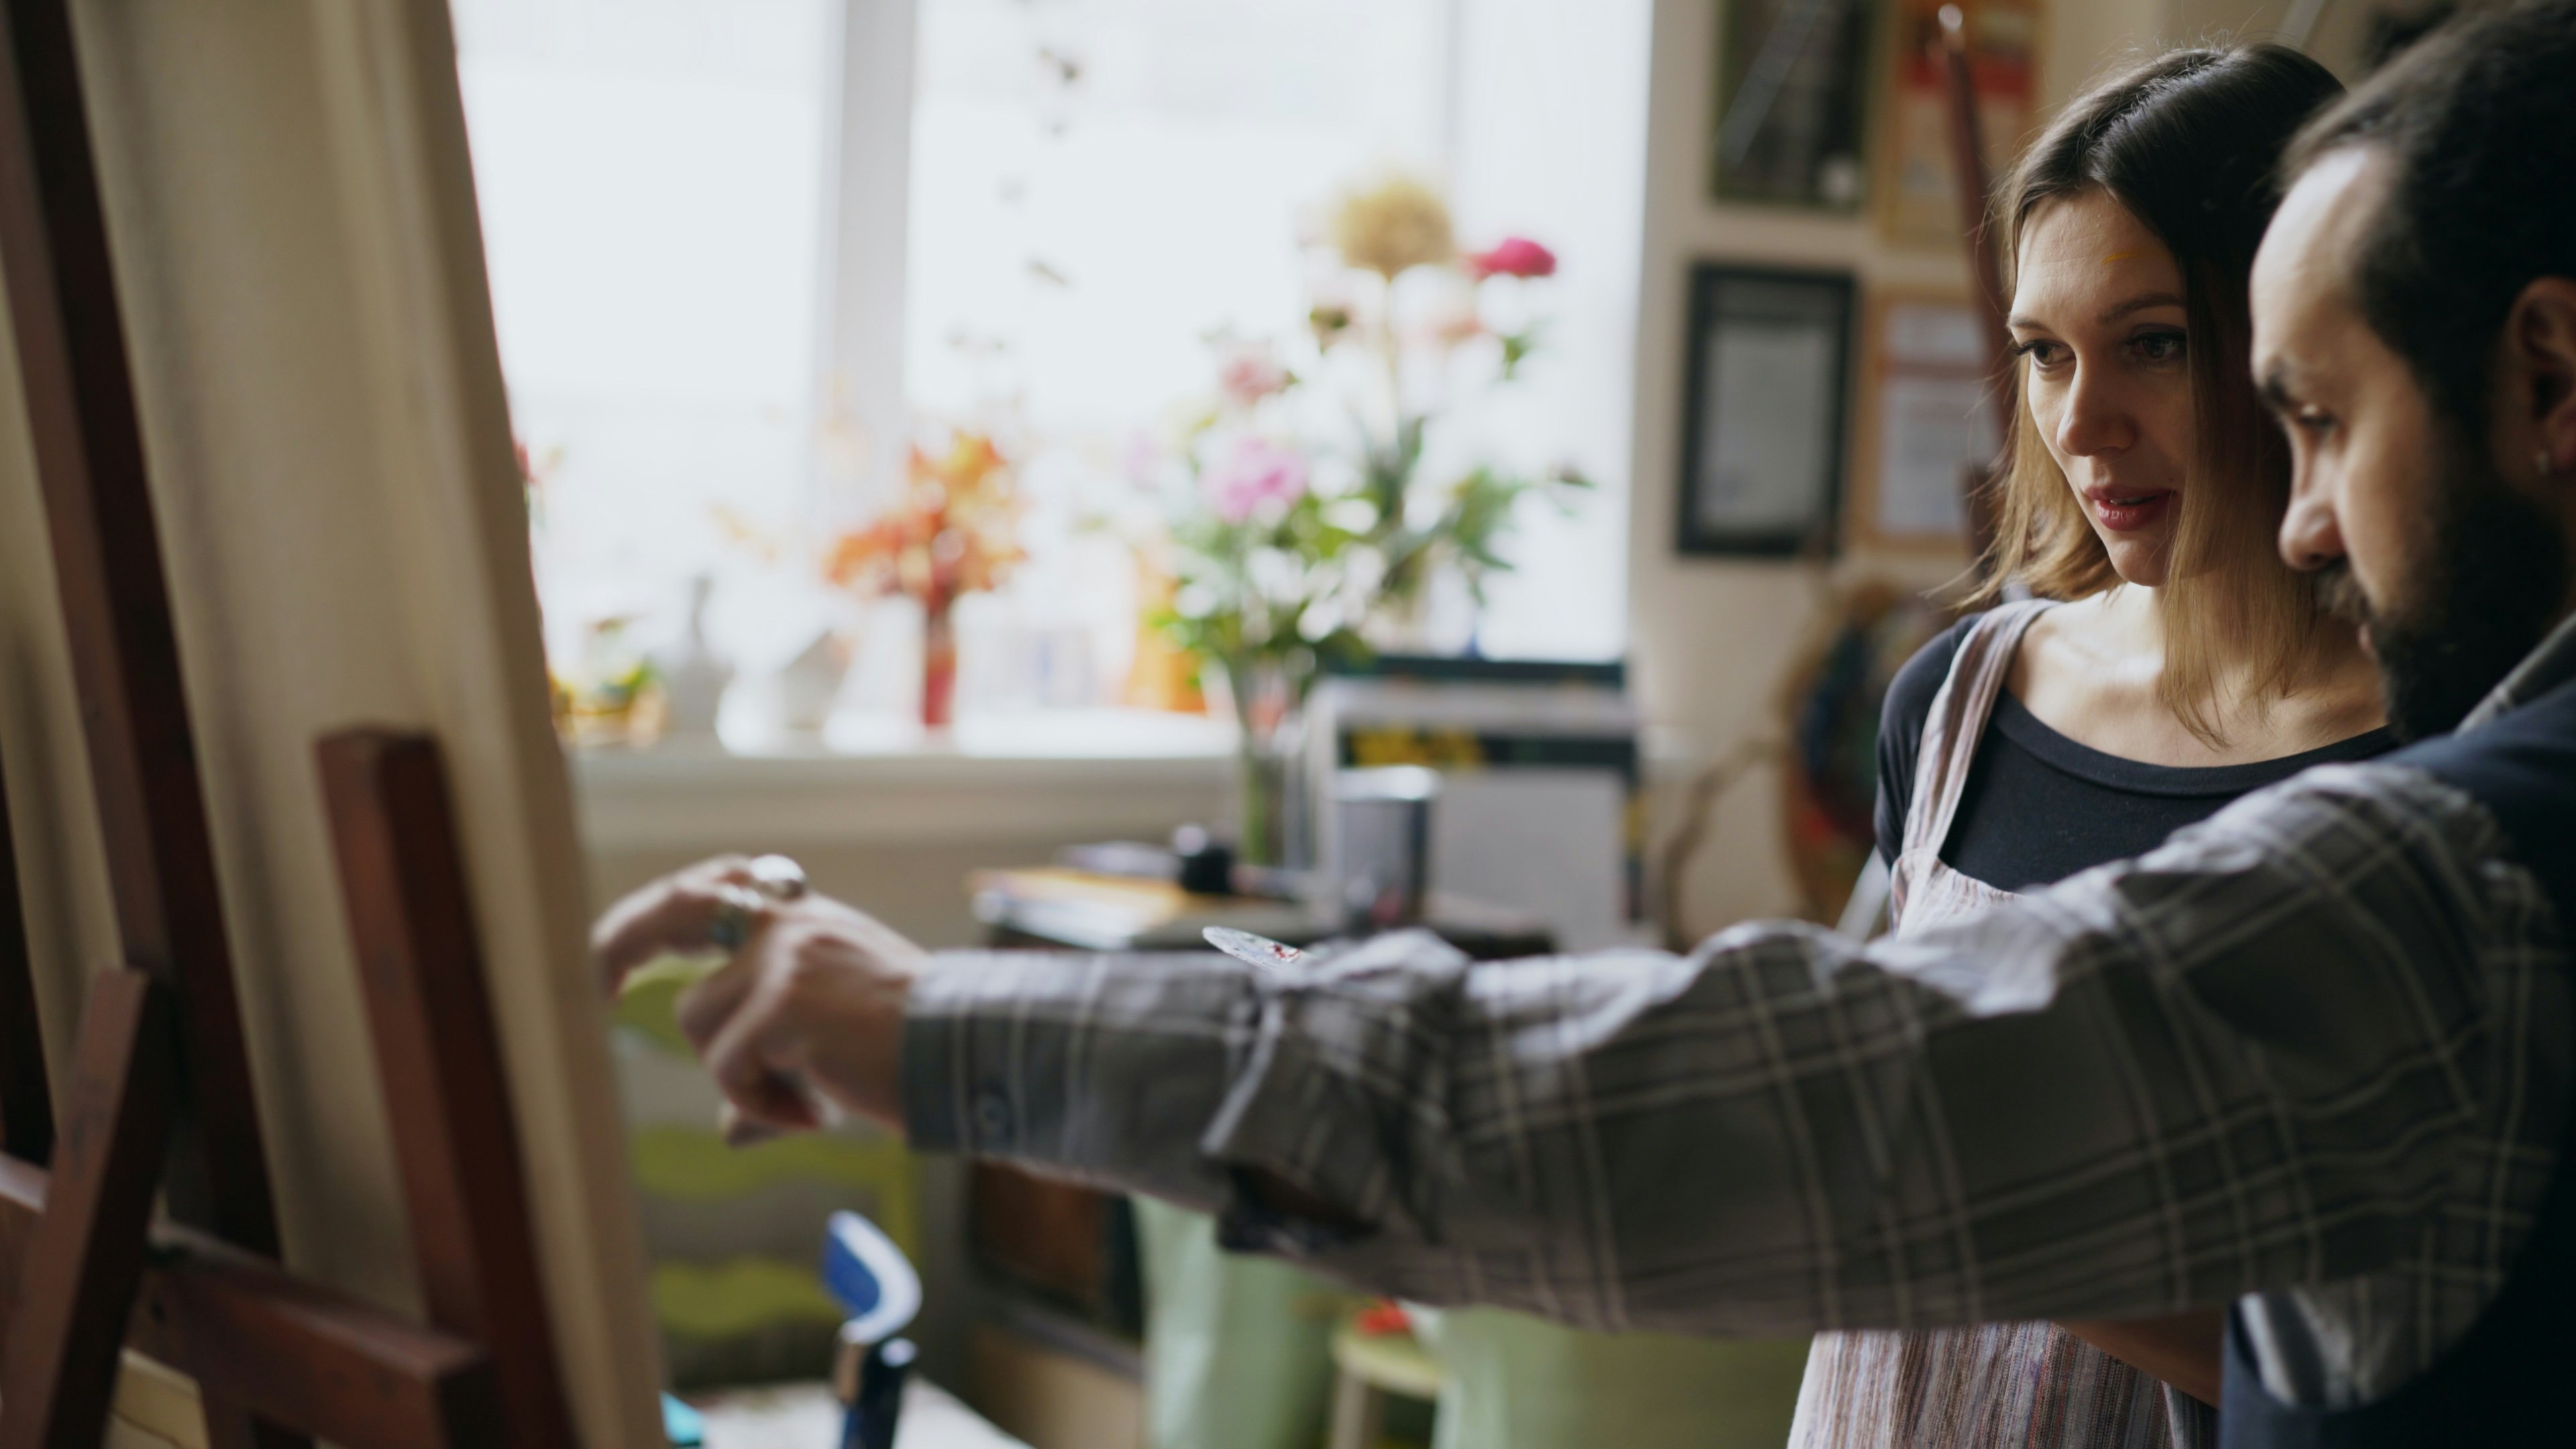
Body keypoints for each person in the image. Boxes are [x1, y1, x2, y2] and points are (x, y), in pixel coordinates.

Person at [592, 4, 2576, 1440]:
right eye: (2046, 353)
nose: (2094, 427)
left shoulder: (2450, 849)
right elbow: (1847, 1050)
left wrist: (948, 1030)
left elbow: (1828, 1108)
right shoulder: (1982, 694)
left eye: (2306, 405)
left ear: (2546, 377)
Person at [1796, 44, 2385, 1449]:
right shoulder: (1956, 705)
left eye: (2155, 343)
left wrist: (1940, 1192)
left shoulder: (2431, 764)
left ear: (2303, 337)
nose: (2079, 423)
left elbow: (2384, 1345)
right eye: (2045, 353)